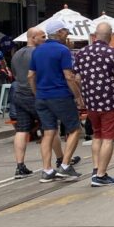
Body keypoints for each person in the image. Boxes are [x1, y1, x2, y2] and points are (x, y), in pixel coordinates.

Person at [9, 27, 76, 178]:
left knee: (21, 129)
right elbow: (34, 75)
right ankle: (61, 159)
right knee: (50, 129)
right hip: (37, 94)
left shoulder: (16, 54)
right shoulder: (38, 53)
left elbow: (15, 73)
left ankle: (20, 166)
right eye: (42, 37)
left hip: (19, 94)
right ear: (33, 38)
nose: (45, 40)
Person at [74, 22, 114, 187]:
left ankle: (95, 168)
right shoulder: (113, 53)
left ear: (94, 35)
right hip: (109, 101)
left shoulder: (82, 53)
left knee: (97, 135)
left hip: (91, 102)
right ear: (110, 35)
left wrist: (83, 94)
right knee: (108, 138)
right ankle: (101, 175)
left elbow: (77, 78)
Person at [28, 19, 85, 182]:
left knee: (48, 132)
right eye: (66, 31)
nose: (67, 33)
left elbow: (30, 75)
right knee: (75, 129)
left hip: (42, 97)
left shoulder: (37, 51)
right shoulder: (63, 50)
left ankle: (47, 170)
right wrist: (78, 96)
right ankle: (65, 165)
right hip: (60, 95)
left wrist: (37, 93)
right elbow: (68, 76)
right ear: (59, 32)